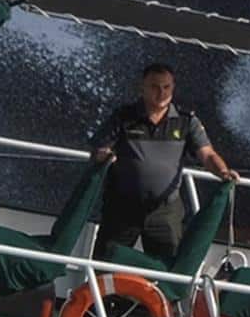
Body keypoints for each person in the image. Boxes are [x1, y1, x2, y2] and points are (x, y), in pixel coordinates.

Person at [88, 62, 238, 258]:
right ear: (142, 87)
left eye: (166, 87)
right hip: (122, 208)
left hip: (165, 213)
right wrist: (104, 156)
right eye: (155, 87)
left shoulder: (187, 122)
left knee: (167, 274)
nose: (161, 93)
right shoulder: (123, 117)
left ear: (173, 88)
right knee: (105, 265)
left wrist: (223, 172)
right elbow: (99, 149)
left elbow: (208, 155)